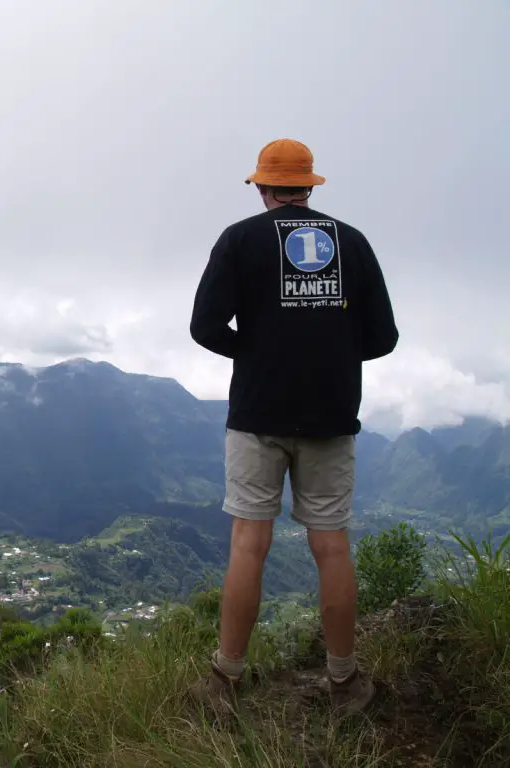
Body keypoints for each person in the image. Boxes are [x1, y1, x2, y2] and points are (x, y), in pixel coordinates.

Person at [187, 138, 399, 717]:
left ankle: (225, 681)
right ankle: (344, 681)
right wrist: (328, 356)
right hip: (331, 417)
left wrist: (256, 355)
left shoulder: (239, 239)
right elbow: (384, 338)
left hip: (257, 416)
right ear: (310, 185)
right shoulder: (351, 244)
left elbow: (204, 326)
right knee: (331, 547)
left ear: (261, 187)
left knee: (248, 544)